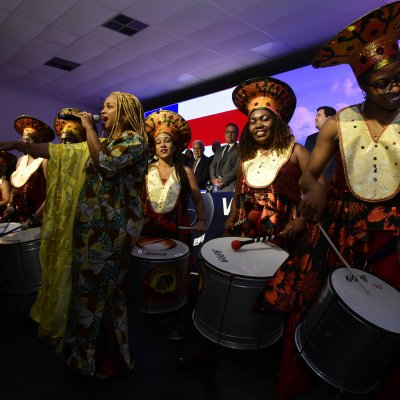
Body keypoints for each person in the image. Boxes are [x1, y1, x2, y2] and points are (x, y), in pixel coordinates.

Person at [0, 92, 149, 379]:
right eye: (102, 106)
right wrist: (19, 145)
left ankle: (111, 356)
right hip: (91, 229)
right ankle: (89, 354)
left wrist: (90, 128)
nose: (102, 111)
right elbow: (62, 152)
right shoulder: (104, 143)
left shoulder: (134, 141)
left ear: (126, 111)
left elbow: (105, 163)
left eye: (109, 107)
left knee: (102, 293)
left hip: (112, 232)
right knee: (89, 293)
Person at [295, 2, 400, 399]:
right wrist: (316, 186)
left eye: (399, 79)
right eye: (382, 83)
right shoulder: (339, 122)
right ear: (363, 86)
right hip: (340, 233)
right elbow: (309, 173)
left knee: (390, 322)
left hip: (392, 238)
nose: (393, 89)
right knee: (324, 313)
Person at [142, 110, 206, 339]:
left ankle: (179, 322)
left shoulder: (185, 171)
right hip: (149, 233)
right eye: (158, 141)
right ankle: (150, 314)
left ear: (175, 144)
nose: (162, 145)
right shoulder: (144, 171)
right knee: (149, 274)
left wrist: (200, 220)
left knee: (180, 277)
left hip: (178, 234)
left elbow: (199, 200)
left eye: (167, 140)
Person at [3, 116, 54, 227]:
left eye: (29, 142)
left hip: (36, 218)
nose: (24, 145)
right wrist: (10, 205)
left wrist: (36, 217)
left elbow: (52, 192)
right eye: (23, 141)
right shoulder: (20, 160)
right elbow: (17, 186)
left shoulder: (44, 161)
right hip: (18, 218)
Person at [304, 106, 336, 181]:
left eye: (319, 115)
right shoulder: (310, 139)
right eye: (316, 116)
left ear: (329, 119)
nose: (315, 118)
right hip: (312, 183)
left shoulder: (340, 137)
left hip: (334, 184)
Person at [209, 123, 239, 191]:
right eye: (228, 132)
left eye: (233, 132)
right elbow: (213, 166)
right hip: (216, 187)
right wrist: (213, 179)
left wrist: (223, 181)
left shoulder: (240, 149)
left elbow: (237, 168)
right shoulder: (219, 150)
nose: (230, 134)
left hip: (230, 187)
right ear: (225, 134)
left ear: (237, 135)